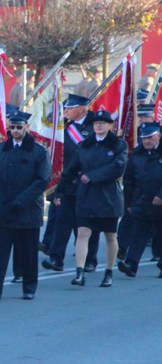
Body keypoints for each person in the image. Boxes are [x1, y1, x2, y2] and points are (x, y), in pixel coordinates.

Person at [55, 110, 127, 287]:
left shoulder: (118, 145)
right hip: (87, 195)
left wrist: (93, 175)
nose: (99, 126)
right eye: (96, 123)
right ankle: (80, 272)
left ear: (110, 125)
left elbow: (117, 167)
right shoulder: (85, 145)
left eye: (103, 123)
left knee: (110, 235)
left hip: (108, 195)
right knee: (83, 232)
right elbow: (71, 170)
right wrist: (59, 191)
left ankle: (109, 271)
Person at [0, 111, 52, 300]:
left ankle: (29, 287)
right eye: (12, 127)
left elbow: (42, 180)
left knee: (28, 253)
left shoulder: (38, 151)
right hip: (2, 209)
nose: (15, 131)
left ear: (26, 128)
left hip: (27, 210)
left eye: (19, 127)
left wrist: (22, 200)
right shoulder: (0, 149)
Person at [42, 94, 100, 272]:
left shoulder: (95, 127)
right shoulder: (64, 128)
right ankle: (55, 258)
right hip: (66, 183)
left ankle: (89, 260)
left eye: (70, 107)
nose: (65, 110)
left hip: (87, 183)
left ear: (81, 109)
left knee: (87, 225)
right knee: (62, 221)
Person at [120, 123, 162, 278]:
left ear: (159, 135)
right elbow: (129, 180)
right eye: (144, 138)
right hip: (142, 202)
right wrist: (129, 203)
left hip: (160, 203)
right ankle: (131, 264)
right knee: (138, 234)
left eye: (150, 137)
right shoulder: (137, 154)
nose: (147, 141)